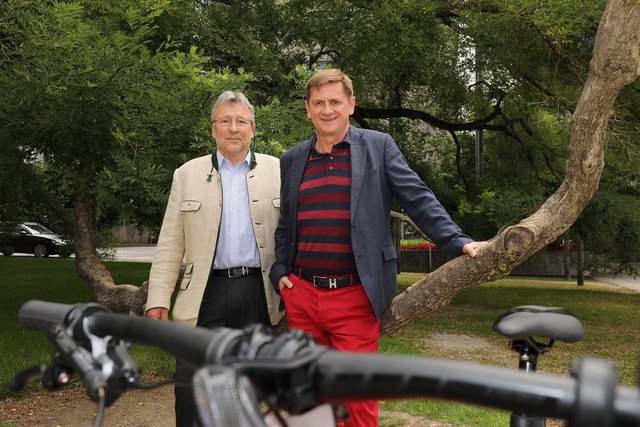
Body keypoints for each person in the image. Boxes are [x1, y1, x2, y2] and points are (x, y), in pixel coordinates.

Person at [270, 69, 487, 427]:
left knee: (357, 402)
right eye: (319, 103)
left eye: (335, 102)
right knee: (308, 402)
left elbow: (417, 197)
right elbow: (286, 224)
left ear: (351, 105)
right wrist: (280, 273)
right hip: (303, 295)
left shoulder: (378, 145)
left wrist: (457, 240)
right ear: (307, 109)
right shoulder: (292, 159)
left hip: (355, 295)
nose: (328, 110)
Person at [145, 90, 283, 427]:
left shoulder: (278, 170)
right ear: (213, 129)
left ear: (253, 128)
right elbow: (169, 243)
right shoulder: (187, 174)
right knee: (191, 387)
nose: (233, 128)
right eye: (225, 121)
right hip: (205, 295)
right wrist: (158, 299)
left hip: (258, 293)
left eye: (241, 121)